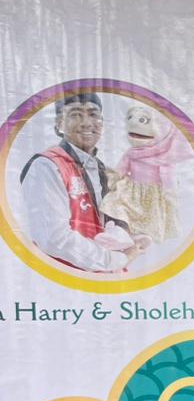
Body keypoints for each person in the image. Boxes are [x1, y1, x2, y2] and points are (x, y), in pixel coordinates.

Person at [19, 91, 141, 272]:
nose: (86, 123)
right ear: (59, 123)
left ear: (102, 123)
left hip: (102, 278)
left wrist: (128, 238)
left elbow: (109, 221)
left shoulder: (102, 169)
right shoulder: (46, 166)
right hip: (63, 279)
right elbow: (53, 238)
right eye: (76, 114)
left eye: (93, 114)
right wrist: (114, 260)